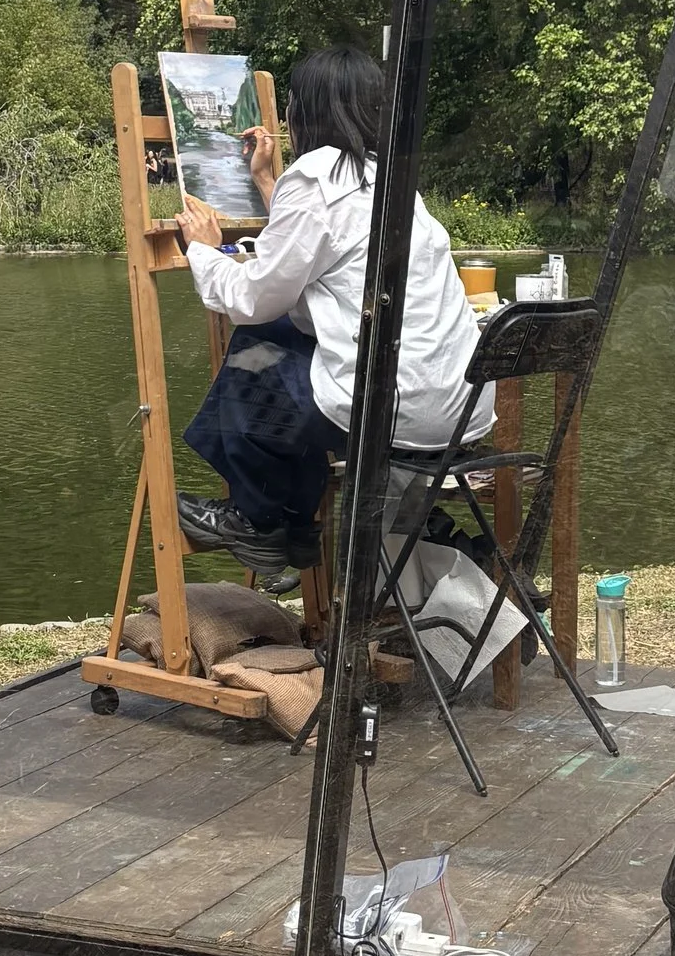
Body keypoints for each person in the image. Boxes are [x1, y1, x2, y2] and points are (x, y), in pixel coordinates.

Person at [174, 43, 487, 577]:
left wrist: (202, 249)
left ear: (303, 111)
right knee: (282, 341)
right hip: (456, 413)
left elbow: (253, 297)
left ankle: (265, 521)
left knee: (258, 344)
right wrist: (268, 183)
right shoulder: (391, 180)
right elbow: (323, 244)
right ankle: (282, 524)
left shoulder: (316, 177)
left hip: (391, 413)